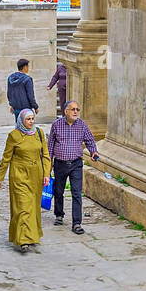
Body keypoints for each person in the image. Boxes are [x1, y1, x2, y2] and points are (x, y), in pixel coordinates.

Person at [0, 108, 50, 253]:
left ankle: (32, 236)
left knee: (33, 207)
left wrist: (46, 174)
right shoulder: (14, 135)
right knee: (23, 206)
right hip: (19, 175)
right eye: (28, 119)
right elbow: (6, 158)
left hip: (36, 175)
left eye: (32, 119)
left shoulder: (39, 133)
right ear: (21, 120)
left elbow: (45, 155)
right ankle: (23, 240)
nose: (31, 122)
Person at [48, 100, 99, 234]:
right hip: (60, 164)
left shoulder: (82, 125)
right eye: (73, 109)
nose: (76, 112)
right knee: (58, 191)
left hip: (76, 163)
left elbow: (90, 140)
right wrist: (48, 162)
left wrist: (93, 151)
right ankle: (59, 215)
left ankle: (77, 223)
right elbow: (50, 145)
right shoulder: (56, 125)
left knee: (76, 193)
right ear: (66, 111)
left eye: (77, 109)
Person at [7, 58, 38, 123]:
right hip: (26, 109)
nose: (28, 68)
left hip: (16, 108)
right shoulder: (27, 79)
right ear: (25, 67)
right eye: (28, 66)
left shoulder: (10, 78)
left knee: (18, 128)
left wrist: (11, 105)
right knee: (28, 129)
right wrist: (35, 107)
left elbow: (9, 93)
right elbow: (30, 96)